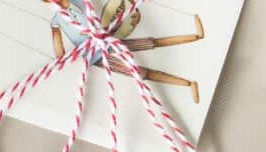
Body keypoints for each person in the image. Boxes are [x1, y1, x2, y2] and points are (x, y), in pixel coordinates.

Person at [45, 0, 205, 103]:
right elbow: (59, 52)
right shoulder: (57, 20)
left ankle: (197, 36)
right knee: (142, 73)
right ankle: (188, 84)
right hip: (95, 55)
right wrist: (66, 63)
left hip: (109, 37)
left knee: (151, 43)